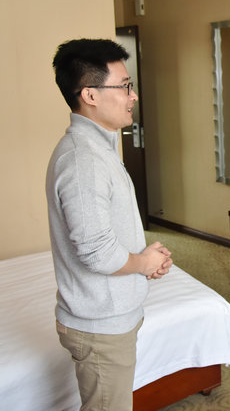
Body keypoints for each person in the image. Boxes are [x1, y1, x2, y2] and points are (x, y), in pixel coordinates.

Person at [47, 38, 173, 410]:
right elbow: (97, 252)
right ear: (90, 95)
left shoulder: (99, 148)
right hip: (100, 325)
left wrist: (144, 257)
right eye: (125, 86)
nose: (133, 96)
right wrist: (143, 263)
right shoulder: (83, 159)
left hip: (109, 316)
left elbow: (106, 229)